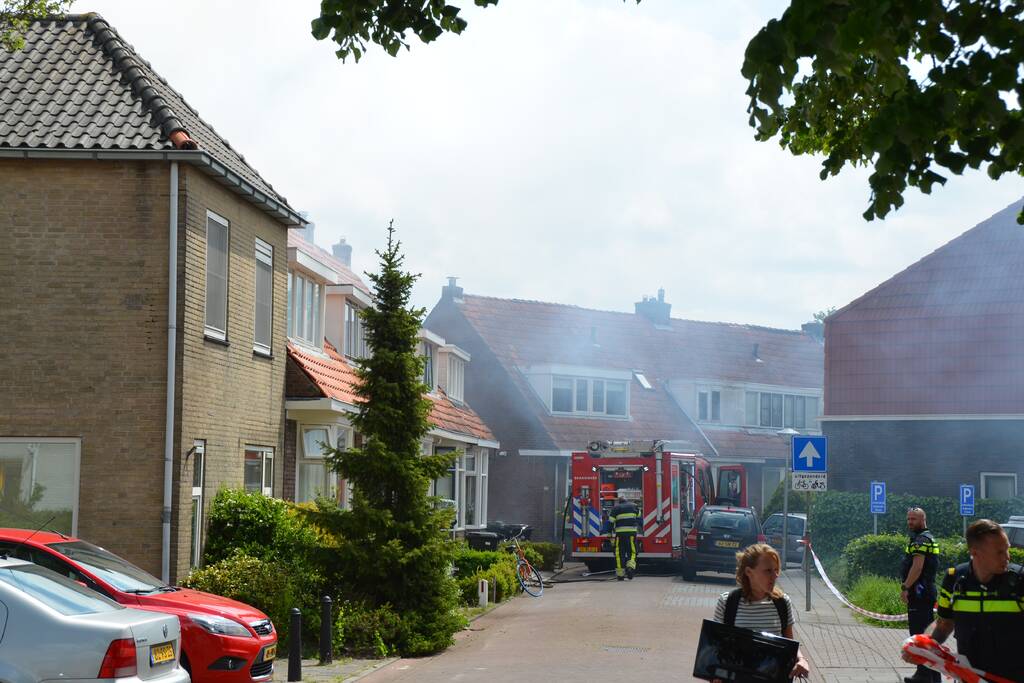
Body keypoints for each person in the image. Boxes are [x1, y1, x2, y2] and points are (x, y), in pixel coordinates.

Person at [911, 519, 1024, 682]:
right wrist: (921, 646)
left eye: (1007, 549)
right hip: (970, 678)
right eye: (999, 552)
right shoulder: (954, 580)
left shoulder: (1019, 581)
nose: (1007, 556)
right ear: (975, 552)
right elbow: (944, 624)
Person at [712, 543, 810, 682]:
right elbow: (716, 648)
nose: (775, 575)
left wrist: (801, 660)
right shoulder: (728, 602)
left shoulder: (782, 603)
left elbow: (790, 645)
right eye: (768, 570)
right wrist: (715, 673)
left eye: (776, 570)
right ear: (749, 572)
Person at [900, 507, 940, 683]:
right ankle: (931, 676)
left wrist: (905, 586)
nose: (910, 522)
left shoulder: (921, 540)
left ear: (923, 519)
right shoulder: (927, 537)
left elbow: (917, 567)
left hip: (920, 591)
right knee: (926, 637)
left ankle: (923, 675)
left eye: (913, 519)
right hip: (925, 590)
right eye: (908, 519)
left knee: (919, 635)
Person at [607, 496, 639, 580]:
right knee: (632, 551)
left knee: (619, 553)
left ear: (619, 502)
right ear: (626, 501)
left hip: (620, 534)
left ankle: (620, 575)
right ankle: (630, 567)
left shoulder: (615, 508)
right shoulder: (633, 506)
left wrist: (609, 533)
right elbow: (639, 515)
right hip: (631, 533)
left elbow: (610, 522)